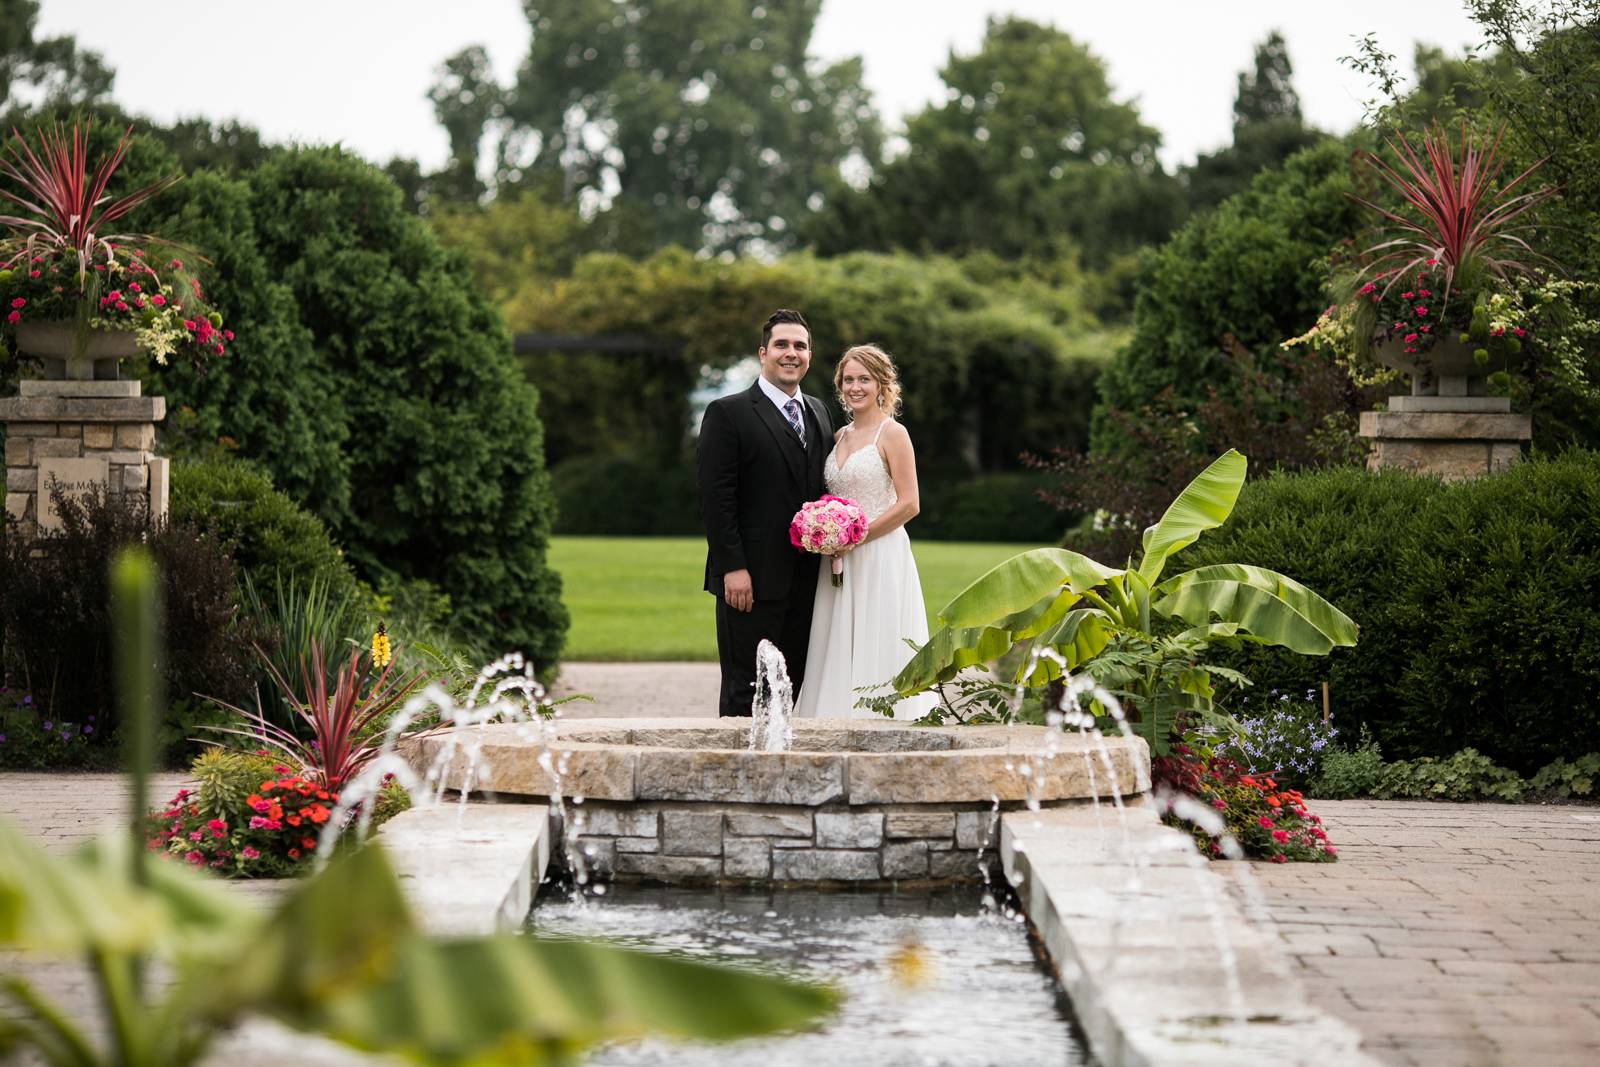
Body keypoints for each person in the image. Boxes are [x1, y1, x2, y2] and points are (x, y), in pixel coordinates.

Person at [697, 309, 834, 717]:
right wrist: (732, 568)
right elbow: (715, 498)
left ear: (809, 355)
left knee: (793, 690)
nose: (791, 353)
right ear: (763, 352)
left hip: (809, 582)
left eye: (800, 346)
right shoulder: (729, 412)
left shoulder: (819, 411)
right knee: (747, 689)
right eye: (782, 345)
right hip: (750, 582)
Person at [794, 344, 938, 721]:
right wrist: (824, 531)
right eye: (848, 379)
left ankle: (882, 718)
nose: (855, 387)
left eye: (864, 379)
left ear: (881, 385)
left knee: (878, 635)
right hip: (838, 557)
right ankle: (833, 716)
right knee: (836, 637)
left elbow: (909, 504)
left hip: (878, 552)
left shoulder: (893, 434)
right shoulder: (839, 435)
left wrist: (856, 536)